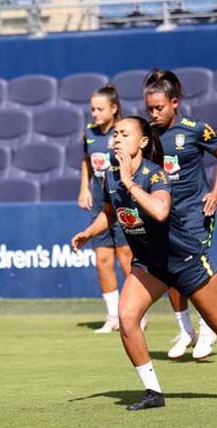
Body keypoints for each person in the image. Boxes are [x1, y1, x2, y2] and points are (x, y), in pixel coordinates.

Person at [71, 116, 217, 410]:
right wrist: (88, 232)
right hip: (150, 265)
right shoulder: (109, 176)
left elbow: (159, 211)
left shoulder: (155, 175)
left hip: (186, 261)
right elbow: (110, 213)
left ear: (143, 142)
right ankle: (153, 392)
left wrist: (130, 183)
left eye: (124, 133)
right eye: (115, 134)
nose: (117, 138)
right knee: (128, 317)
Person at [144, 69, 217, 360]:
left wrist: (216, 192)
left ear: (174, 103)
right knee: (171, 274)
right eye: (150, 109)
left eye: (159, 108)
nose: (154, 113)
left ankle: (208, 331)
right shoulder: (148, 134)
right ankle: (185, 331)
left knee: (194, 270)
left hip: (195, 212)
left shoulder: (195, 129)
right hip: (164, 214)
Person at [77, 85, 133, 333]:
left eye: (100, 109)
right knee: (102, 261)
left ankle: (134, 313)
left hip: (120, 200)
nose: (95, 114)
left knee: (126, 259)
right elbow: (86, 161)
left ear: (114, 108)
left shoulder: (123, 132)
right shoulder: (88, 133)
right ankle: (112, 316)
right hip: (99, 201)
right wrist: (84, 188)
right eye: (92, 109)